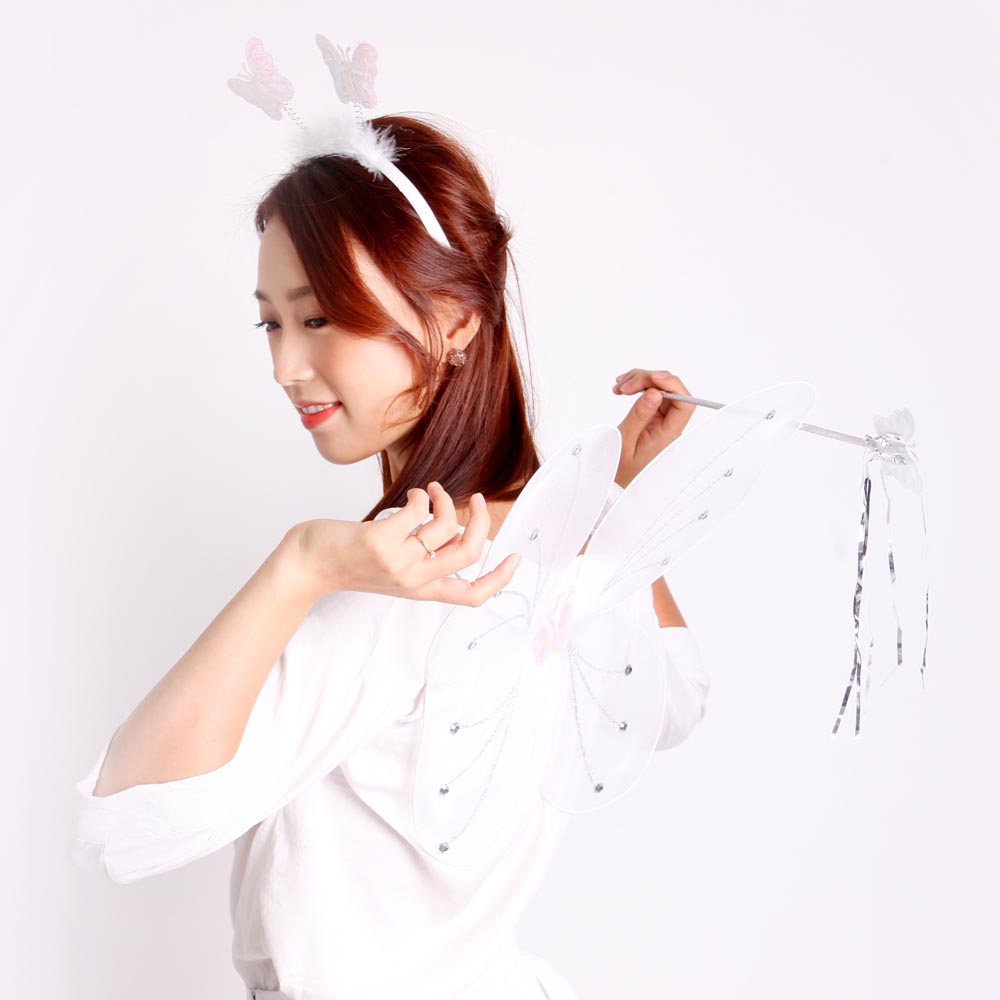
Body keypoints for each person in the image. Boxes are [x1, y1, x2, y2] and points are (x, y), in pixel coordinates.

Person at [70, 114, 711, 1000]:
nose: (286, 365)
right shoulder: (561, 550)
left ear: (454, 320)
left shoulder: (405, 586)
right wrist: (610, 504)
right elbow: (676, 697)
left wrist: (303, 561)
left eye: (320, 317)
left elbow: (122, 827)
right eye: (270, 323)